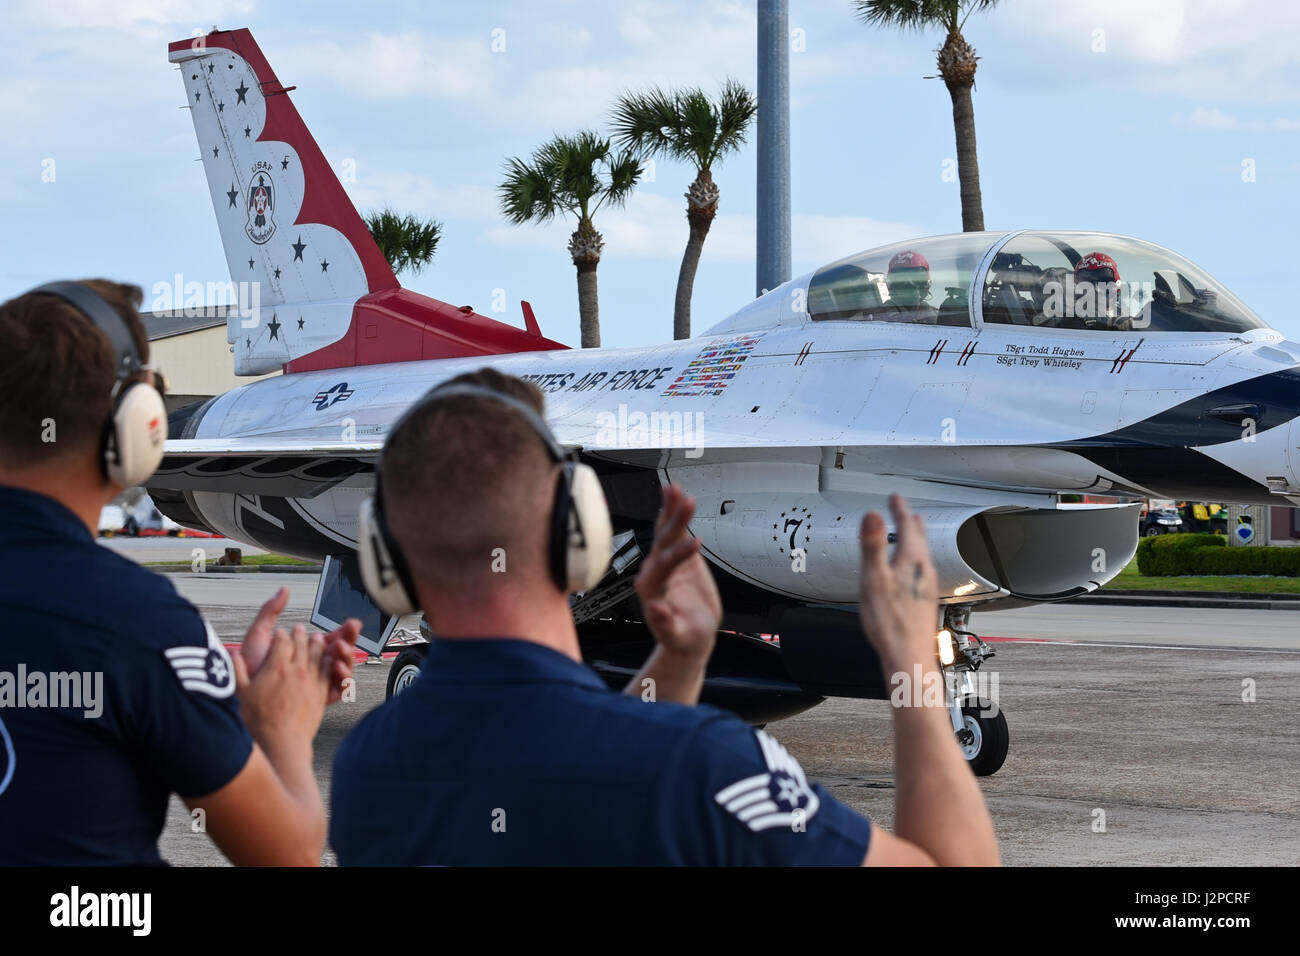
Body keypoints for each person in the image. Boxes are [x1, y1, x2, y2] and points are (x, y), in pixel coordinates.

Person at [330, 368, 999, 866]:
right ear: (579, 528)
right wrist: (913, 669)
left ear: (386, 558)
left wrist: (677, 665)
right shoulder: (711, 765)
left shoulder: (369, 764)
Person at [0, 279, 360, 865]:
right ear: (135, 421)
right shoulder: (139, 622)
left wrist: (199, 690)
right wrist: (279, 727)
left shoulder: (148, 634)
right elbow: (286, 851)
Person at [878, 250, 939, 324]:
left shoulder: (935, 316)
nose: (910, 286)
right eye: (901, 280)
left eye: (917, 280)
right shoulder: (879, 317)